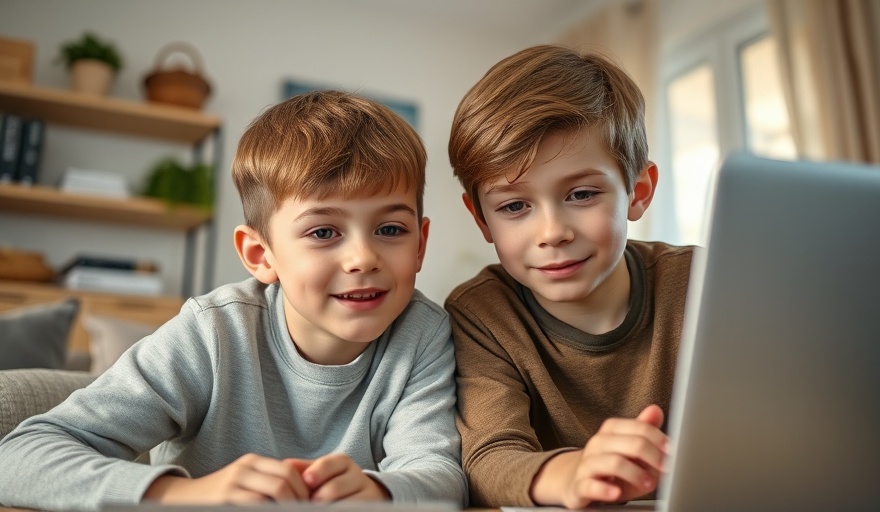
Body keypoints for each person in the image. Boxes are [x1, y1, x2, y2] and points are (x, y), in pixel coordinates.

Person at [0, 90, 467, 511]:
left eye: (390, 229)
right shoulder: (213, 331)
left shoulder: (423, 334)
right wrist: (183, 494)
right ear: (260, 255)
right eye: (323, 232)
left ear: (420, 245)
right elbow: (18, 457)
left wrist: (381, 493)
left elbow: (441, 476)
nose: (363, 258)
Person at [445, 44, 695, 509]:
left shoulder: (699, 283)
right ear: (482, 220)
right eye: (514, 206)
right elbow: (489, 458)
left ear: (637, 192)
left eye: (581, 194)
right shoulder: (482, 313)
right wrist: (572, 473)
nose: (553, 233)